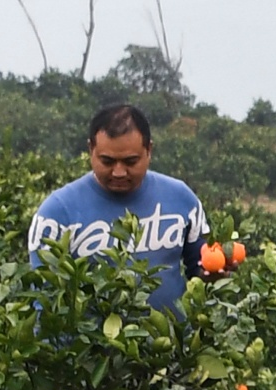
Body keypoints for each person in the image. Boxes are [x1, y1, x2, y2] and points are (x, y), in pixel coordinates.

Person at [27, 102, 206, 311]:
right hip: (89, 343)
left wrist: (217, 273)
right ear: (91, 150)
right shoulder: (57, 211)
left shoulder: (181, 198)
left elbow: (200, 270)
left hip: (171, 341)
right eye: (107, 161)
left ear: (149, 150)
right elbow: (44, 298)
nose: (119, 172)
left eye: (130, 162)